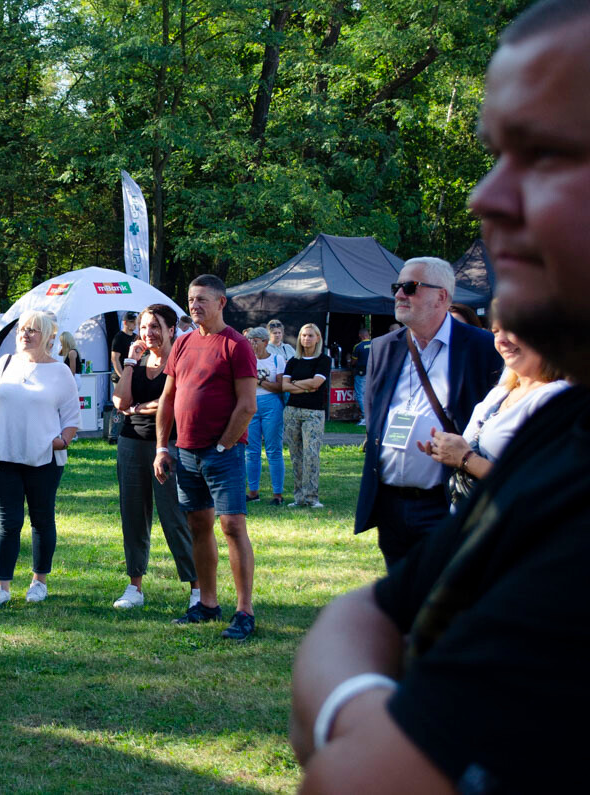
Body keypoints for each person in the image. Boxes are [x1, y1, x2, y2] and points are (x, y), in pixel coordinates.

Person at [292, 5, 590, 790]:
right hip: (399, 503)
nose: (485, 198)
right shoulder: (567, 432)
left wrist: (352, 720)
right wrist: (365, 709)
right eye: (497, 154)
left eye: (548, 154)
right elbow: (358, 614)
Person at [355, 257, 501, 567]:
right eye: (397, 287)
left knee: (444, 601)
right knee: (401, 602)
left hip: (446, 502)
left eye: (410, 287)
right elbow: (374, 411)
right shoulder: (384, 347)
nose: (399, 295)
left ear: (442, 297)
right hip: (390, 503)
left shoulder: (483, 348)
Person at [154, 275, 258, 640]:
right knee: (199, 526)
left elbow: (247, 405)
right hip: (184, 453)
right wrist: (163, 447)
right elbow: (168, 399)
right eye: (190, 299)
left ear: (221, 303)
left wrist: (223, 445)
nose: (194, 305)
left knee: (232, 527)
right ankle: (208, 604)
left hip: (223, 454)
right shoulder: (181, 345)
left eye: (201, 299)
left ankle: (244, 611)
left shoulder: (237, 345)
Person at [0, 310, 79, 609]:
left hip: (45, 459)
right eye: (22, 330)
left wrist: (61, 441)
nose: (25, 334)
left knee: (42, 521)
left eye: (33, 330)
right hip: (5, 456)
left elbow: (71, 418)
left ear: (47, 337)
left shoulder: (60, 372)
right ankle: (1, 587)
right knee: (9, 523)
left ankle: (39, 582)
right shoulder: (4, 364)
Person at [418, 306, 568, 503]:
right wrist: (446, 446)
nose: (501, 340)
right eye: (496, 331)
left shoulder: (556, 397)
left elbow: (538, 484)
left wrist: (465, 459)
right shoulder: (500, 393)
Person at [111, 303, 198, 609]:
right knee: (133, 516)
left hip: (171, 446)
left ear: (172, 329)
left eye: (156, 326)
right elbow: (120, 401)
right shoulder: (137, 362)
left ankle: (197, 588)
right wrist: (131, 363)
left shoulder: (182, 360)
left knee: (175, 517)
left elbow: (172, 402)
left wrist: (137, 407)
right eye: (145, 327)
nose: (149, 333)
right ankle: (134, 586)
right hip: (131, 443)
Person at [280, 323, 331, 508]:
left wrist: (296, 383)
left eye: (310, 335)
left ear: (317, 338)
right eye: (303, 335)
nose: (306, 339)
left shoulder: (323, 360)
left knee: (311, 454)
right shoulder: (293, 361)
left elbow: (317, 383)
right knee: (296, 455)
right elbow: (284, 386)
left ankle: (311, 497)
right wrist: (306, 386)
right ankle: (299, 497)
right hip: (292, 411)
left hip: (313, 413)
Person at [243, 326, 286, 505]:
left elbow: (280, 386)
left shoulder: (277, 360)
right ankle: (253, 492)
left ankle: (278, 494)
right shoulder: (246, 360)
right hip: (250, 405)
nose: (252, 344)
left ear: (265, 342)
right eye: (250, 340)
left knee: (273, 450)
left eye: (256, 341)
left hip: (271, 405)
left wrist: (259, 381)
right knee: (251, 451)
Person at [108, 311, 138, 443]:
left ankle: (128, 431)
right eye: (132, 321)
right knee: (118, 405)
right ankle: (113, 435)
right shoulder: (119, 337)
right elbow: (115, 359)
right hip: (119, 376)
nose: (134, 324)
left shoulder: (137, 338)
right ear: (125, 323)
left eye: (135, 321)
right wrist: (122, 376)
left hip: (133, 375)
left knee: (132, 402)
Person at [351, 328, 372, 426]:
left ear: (360, 335)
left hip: (362, 372)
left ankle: (365, 417)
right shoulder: (375, 343)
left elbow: (354, 361)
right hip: (374, 372)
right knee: (371, 394)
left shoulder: (358, 346)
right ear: (368, 335)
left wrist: (349, 362)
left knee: (360, 394)